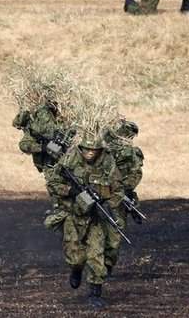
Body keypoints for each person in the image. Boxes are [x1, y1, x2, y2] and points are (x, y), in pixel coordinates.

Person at [46, 123, 125, 308]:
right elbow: (53, 184)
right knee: (75, 256)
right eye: (86, 149)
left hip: (96, 219)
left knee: (96, 255)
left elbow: (118, 189)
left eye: (94, 150)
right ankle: (76, 269)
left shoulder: (108, 164)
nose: (90, 153)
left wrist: (107, 204)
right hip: (73, 216)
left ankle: (95, 293)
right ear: (81, 149)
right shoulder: (70, 160)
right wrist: (71, 191)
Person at [102, 120, 144, 277]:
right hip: (102, 193)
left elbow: (135, 173)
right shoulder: (100, 148)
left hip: (117, 197)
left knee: (115, 231)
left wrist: (124, 189)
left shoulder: (105, 147)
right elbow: (136, 173)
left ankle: (106, 266)